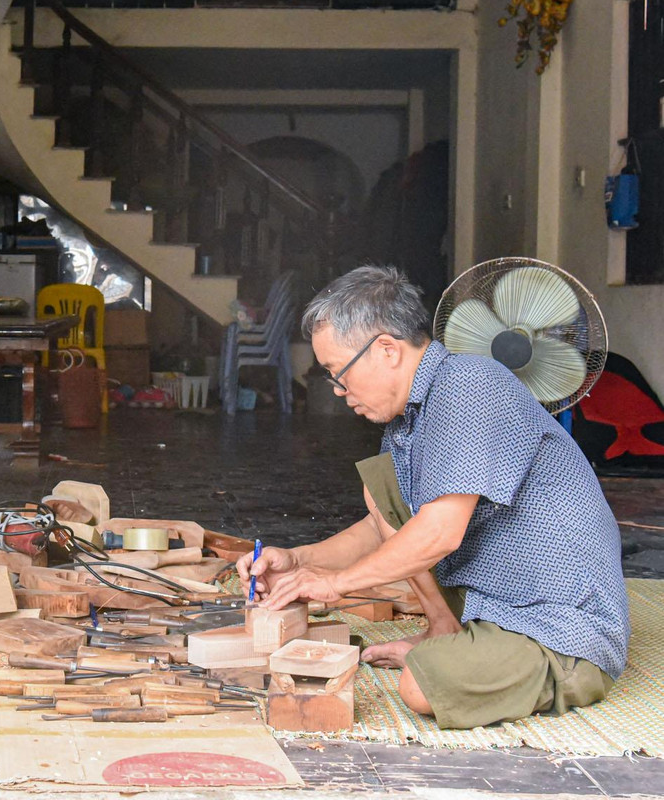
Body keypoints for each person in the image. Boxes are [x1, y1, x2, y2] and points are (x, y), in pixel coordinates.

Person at [239, 266, 629, 730]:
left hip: (561, 626)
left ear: (386, 350)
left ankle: (507, 657)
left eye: (338, 373)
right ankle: (444, 628)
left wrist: (335, 583)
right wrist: (299, 561)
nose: (340, 391)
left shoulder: (469, 385)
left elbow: (439, 533)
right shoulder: (409, 417)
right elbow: (382, 526)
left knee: (422, 686)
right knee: (383, 482)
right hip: (497, 601)